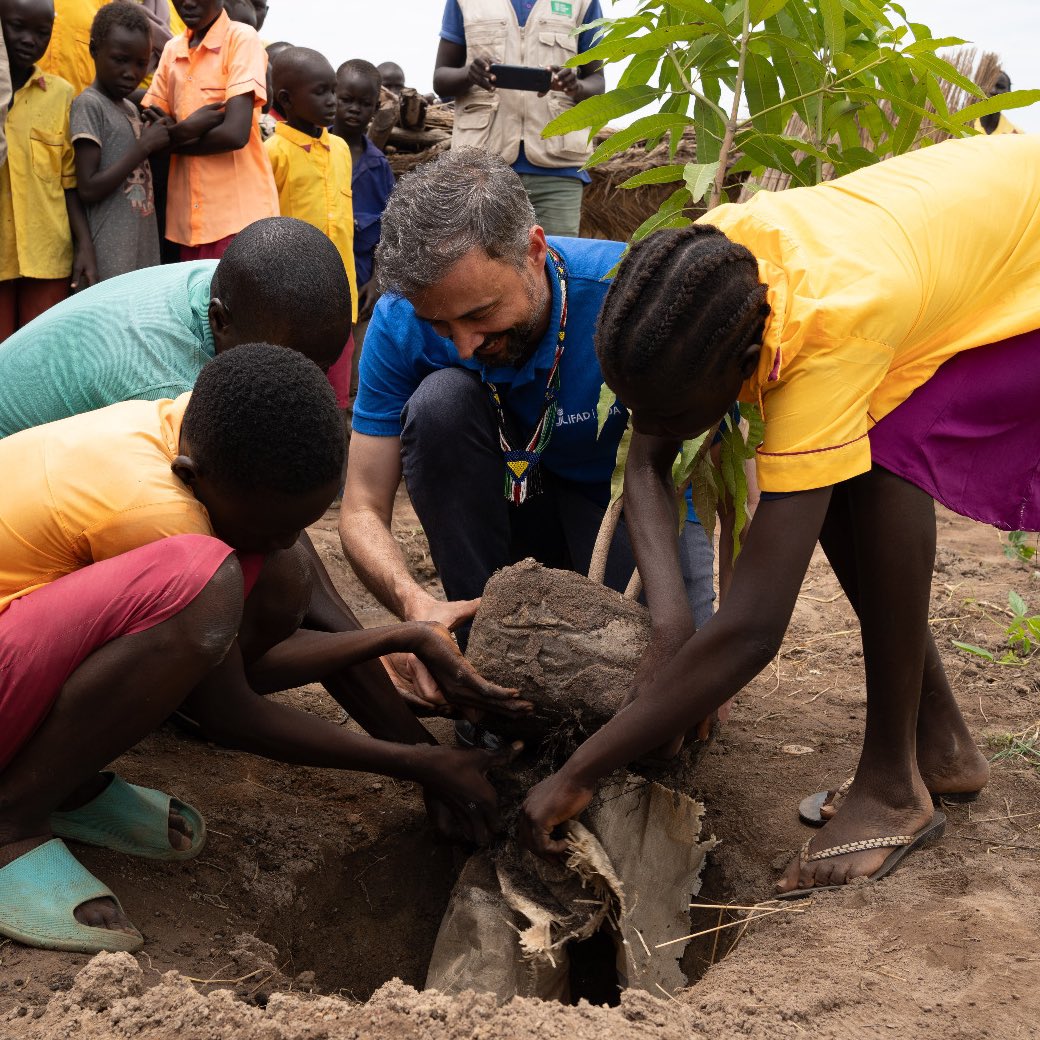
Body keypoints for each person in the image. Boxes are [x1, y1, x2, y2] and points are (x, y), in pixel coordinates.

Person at [518, 133, 1040, 899]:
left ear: (736, 367)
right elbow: (647, 457)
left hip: (1020, 267)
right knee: (838, 458)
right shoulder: (705, 280)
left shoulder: (828, 329)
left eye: (670, 410)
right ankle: (942, 745)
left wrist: (579, 771)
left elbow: (756, 626)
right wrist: (670, 632)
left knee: (881, 457)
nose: (652, 423)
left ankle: (894, 785)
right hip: (967, 228)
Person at [0, 344, 528, 955]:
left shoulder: (209, 434)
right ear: (193, 477)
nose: (286, 540)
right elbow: (229, 712)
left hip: (22, 635)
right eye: (274, 524)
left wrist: (406, 655)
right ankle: (12, 820)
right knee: (209, 583)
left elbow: (304, 604)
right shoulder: (155, 510)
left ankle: (59, 782)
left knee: (272, 567)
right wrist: (417, 764)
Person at [340, 148, 718, 711]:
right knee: (439, 403)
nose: (463, 345)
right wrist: (412, 604)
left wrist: (711, 636)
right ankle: (479, 651)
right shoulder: (399, 322)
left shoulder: (625, 298)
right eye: (438, 324)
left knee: (664, 686)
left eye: (480, 313)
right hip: (504, 508)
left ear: (535, 251)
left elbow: (724, 471)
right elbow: (361, 506)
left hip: (622, 506)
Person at [433, 0, 605, 237]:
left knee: (557, 262)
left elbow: (597, 85)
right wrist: (469, 73)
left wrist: (574, 86)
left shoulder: (583, 3)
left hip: (558, 170)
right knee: (482, 264)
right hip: (481, 168)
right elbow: (441, 79)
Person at [265, 46, 357, 444]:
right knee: (291, 384)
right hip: (292, 299)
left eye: (333, 91)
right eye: (321, 92)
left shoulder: (340, 149)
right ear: (286, 99)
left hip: (341, 293)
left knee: (337, 389)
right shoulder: (273, 154)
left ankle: (334, 471)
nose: (332, 101)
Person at [142, 0, 278, 261]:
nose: (187, 3)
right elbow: (153, 134)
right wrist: (185, 130)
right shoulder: (172, 49)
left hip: (239, 220)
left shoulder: (241, 38)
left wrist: (177, 135)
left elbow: (235, 134)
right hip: (187, 226)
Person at [0, 0, 95, 340]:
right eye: (17, 27)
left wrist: (84, 246)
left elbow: (68, 181)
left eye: (42, 33)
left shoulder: (61, 94)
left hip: (47, 254)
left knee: (39, 355)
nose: (29, 40)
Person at [71, 2, 169, 282]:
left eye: (141, 63)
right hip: (108, 253)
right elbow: (88, 187)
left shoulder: (128, 107)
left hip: (139, 248)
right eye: (120, 59)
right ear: (94, 50)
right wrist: (144, 146)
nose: (131, 72)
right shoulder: (89, 104)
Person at [333, 57, 395, 403]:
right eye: (347, 100)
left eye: (364, 103)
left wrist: (378, 279)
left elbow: (390, 231)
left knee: (356, 382)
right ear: (333, 96)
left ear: (375, 107)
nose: (355, 109)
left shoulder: (378, 168)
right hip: (317, 289)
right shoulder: (316, 155)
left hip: (362, 290)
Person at [972, 69, 1024, 136]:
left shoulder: (1017, 135)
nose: (993, 91)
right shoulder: (961, 125)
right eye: (989, 85)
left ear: (1009, 94)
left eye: (1000, 87)